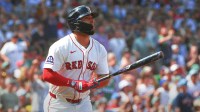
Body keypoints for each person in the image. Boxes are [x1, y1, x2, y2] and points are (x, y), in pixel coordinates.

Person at [42, 5, 110, 112]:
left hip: (84, 102)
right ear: (76, 23)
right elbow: (47, 74)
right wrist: (74, 83)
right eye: (87, 18)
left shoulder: (99, 49)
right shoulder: (61, 46)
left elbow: (105, 78)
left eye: (92, 18)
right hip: (59, 102)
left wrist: (95, 83)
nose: (92, 21)